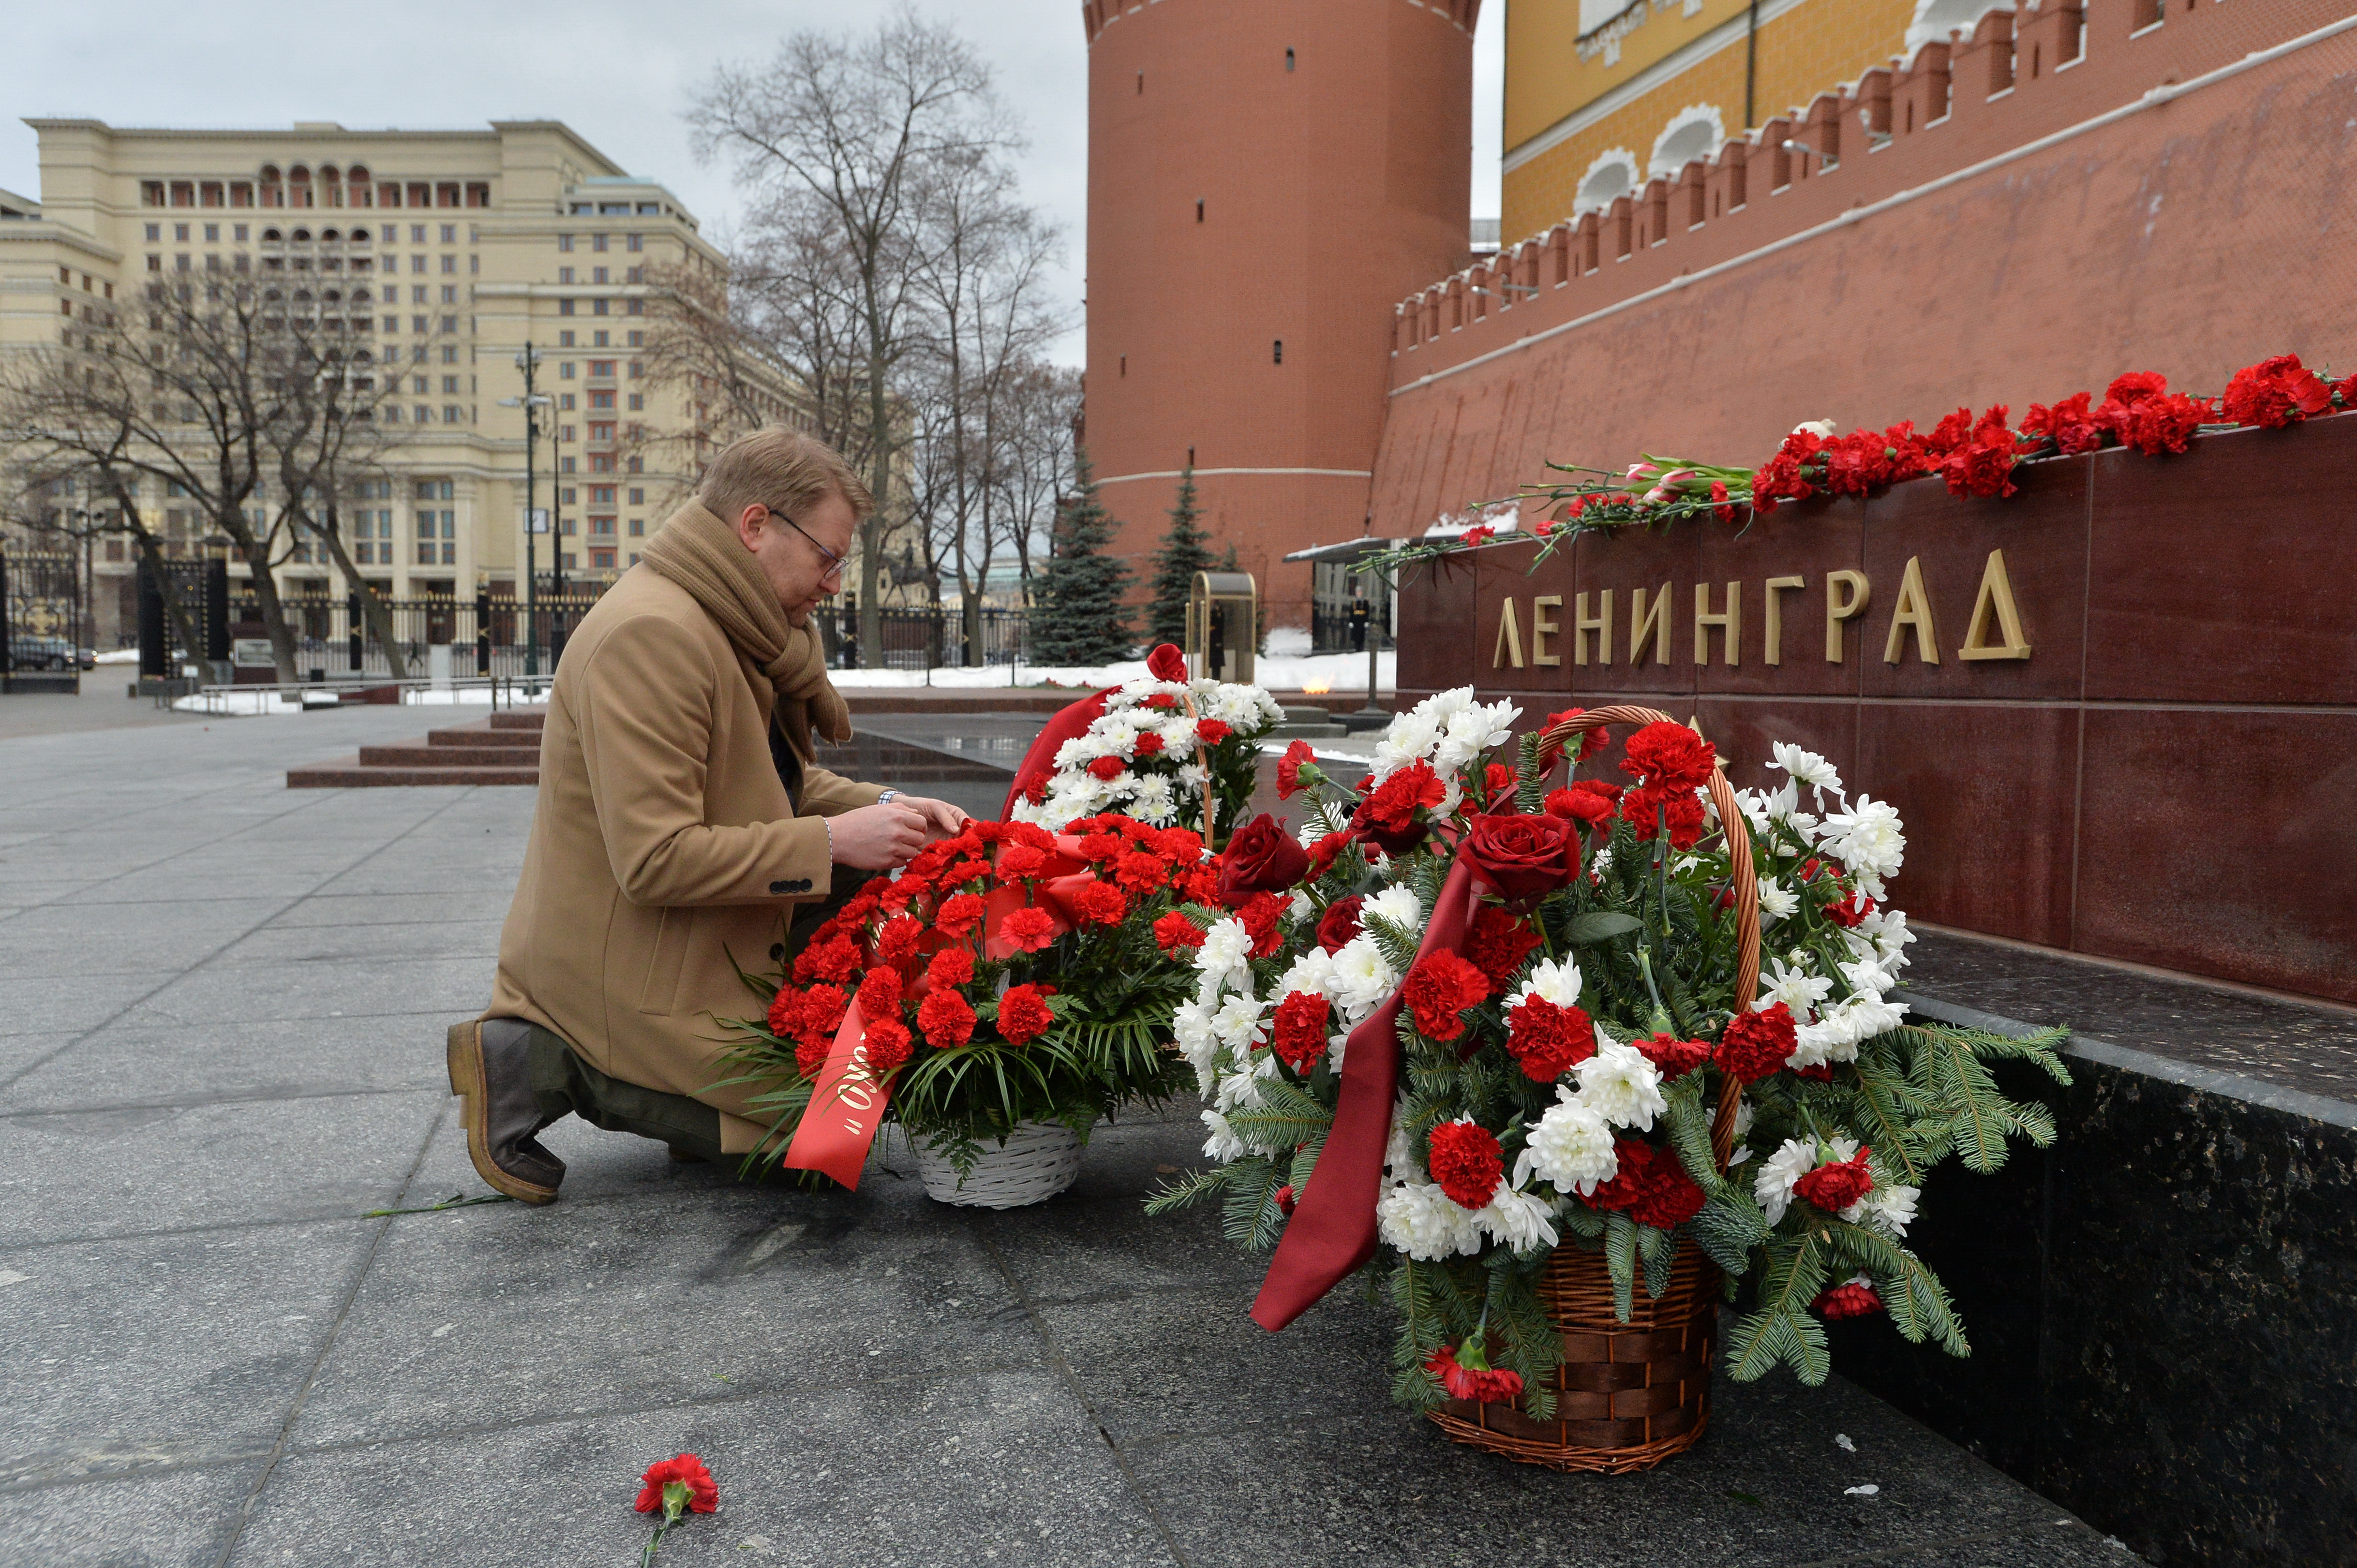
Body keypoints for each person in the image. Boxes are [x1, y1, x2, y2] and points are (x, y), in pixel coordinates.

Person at [447, 429, 968, 1203]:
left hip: (695, 946)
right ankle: (537, 1056)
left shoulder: (725, 623)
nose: (833, 583)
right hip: (625, 975)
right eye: (828, 557)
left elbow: (766, 786)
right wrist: (833, 841)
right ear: (755, 526)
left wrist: (889, 811)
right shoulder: (652, 636)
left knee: (848, 1107)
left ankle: (686, 1104)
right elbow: (655, 857)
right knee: (827, 1131)